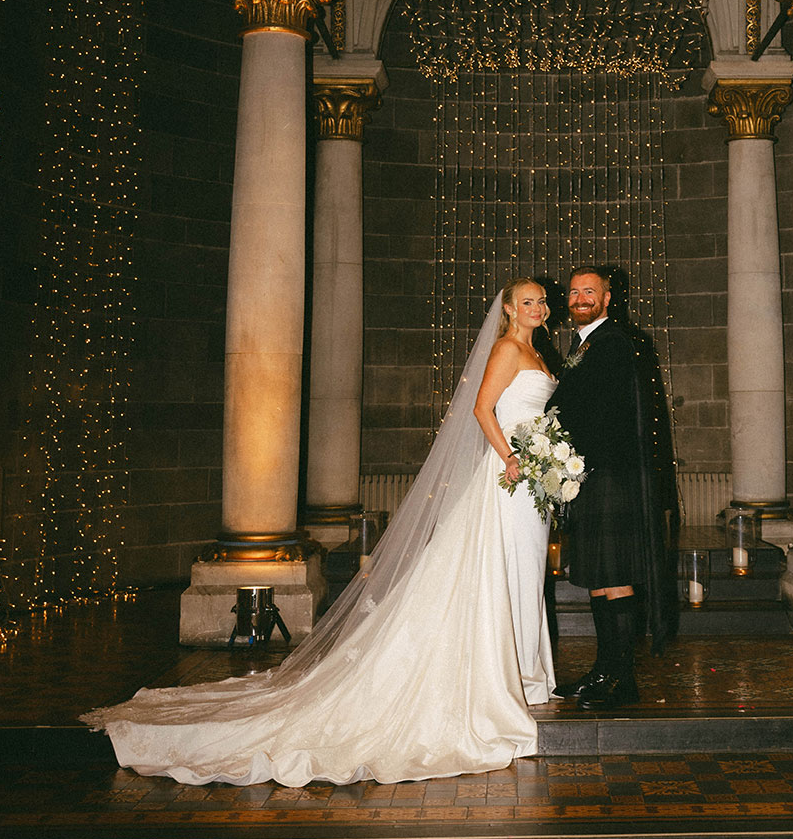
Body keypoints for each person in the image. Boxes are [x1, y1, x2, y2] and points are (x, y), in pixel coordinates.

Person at [82, 281, 556, 786]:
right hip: (508, 476)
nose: (538, 307)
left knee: (523, 569)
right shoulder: (507, 347)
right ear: (508, 308)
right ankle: (514, 675)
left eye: (541, 301)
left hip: (532, 479)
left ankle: (526, 670)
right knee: (502, 569)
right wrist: (510, 456)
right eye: (527, 301)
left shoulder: (537, 349)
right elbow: (483, 409)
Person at [549, 265, 670, 711]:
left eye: (589, 292)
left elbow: (598, 414)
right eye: (575, 292)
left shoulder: (614, 343)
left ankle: (622, 680)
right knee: (600, 579)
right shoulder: (587, 344)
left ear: (607, 297)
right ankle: (605, 671)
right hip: (592, 477)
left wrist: (558, 444)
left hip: (610, 477)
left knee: (614, 577)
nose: (580, 299)